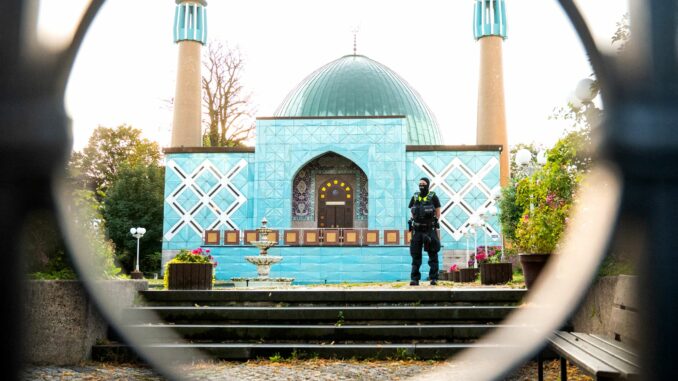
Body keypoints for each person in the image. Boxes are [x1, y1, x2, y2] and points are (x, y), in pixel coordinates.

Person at [408, 177, 441, 286]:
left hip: (429, 230)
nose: (421, 185)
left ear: (428, 185)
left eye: (424, 183)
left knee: (433, 254)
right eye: (420, 183)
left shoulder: (433, 197)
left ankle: (434, 278)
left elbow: (438, 212)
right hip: (417, 230)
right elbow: (411, 210)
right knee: (415, 255)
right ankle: (414, 279)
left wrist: (433, 222)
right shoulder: (415, 196)